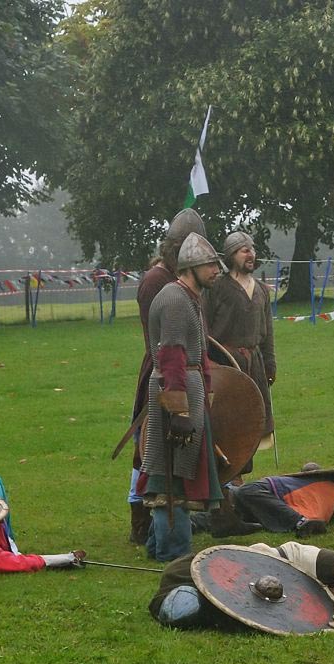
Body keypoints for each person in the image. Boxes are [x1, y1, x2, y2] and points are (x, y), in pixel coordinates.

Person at [137, 232, 227, 562]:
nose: (216, 270)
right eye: (210, 265)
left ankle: (158, 548)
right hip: (175, 392)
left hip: (188, 389)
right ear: (190, 266)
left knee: (178, 473)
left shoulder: (191, 298)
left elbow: (195, 353)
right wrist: (179, 410)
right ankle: (174, 555)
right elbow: (172, 355)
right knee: (170, 479)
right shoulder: (175, 300)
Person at [125, 209, 208, 545]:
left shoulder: (184, 284)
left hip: (182, 372)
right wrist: (177, 401)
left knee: (173, 456)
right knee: (151, 453)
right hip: (165, 373)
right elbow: (166, 344)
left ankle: (158, 533)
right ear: (175, 248)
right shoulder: (160, 284)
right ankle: (142, 523)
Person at [149, 541, 334, 630]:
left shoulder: (288, 557)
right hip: (201, 582)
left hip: (277, 561)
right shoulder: (194, 597)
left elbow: (291, 556)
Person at [204, 230, 277, 479]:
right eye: (244, 250)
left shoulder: (261, 290)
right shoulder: (217, 288)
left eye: (252, 249)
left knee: (251, 418)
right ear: (231, 255)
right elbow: (205, 328)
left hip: (254, 363)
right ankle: (229, 476)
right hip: (226, 363)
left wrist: (270, 363)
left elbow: (267, 333)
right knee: (227, 420)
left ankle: (242, 475)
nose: (251, 254)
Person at [228, 463, 334, 537]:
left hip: (271, 492)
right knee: (226, 510)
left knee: (243, 492)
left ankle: (299, 522)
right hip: (274, 500)